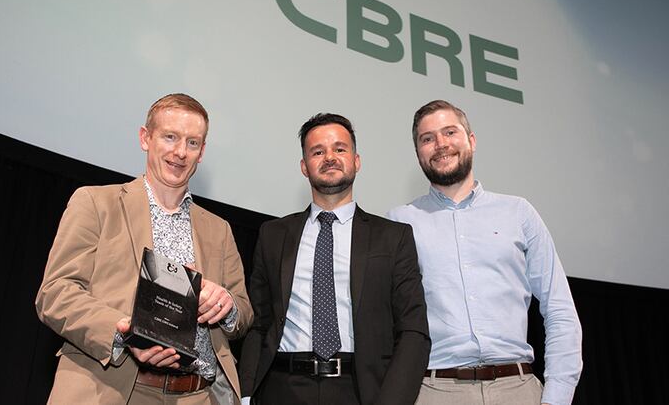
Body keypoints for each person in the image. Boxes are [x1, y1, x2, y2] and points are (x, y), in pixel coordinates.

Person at [35, 93, 253, 404]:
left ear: (202, 152)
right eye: (170, 137)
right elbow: (55, 293)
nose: (180, 152)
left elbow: (244, 312)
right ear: (145, 138)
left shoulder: (219, 230)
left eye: (192, 143)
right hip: (114, 389)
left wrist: (227, 306)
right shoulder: (96, 203)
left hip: (199, 395)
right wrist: (122, 333)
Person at [387, 100, 582, 405]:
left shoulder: (519, 213)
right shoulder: (400, 222)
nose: (440, 144)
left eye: (450, 132)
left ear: (472, 140)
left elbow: (559, 310)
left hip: (519, 389)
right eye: (428, 138)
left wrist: (557, 397)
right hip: (435, 392)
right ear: (418, 153)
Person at [239, 113, 431, 405]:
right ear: (305, 167)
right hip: (281, 388)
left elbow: (413, 331)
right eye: (318, 151)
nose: (329, 157)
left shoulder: (394, 237)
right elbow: (259, 323)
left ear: (356, 161)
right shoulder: (273, 234)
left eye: (340, 149)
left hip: (360, 391)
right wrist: (246, 394)